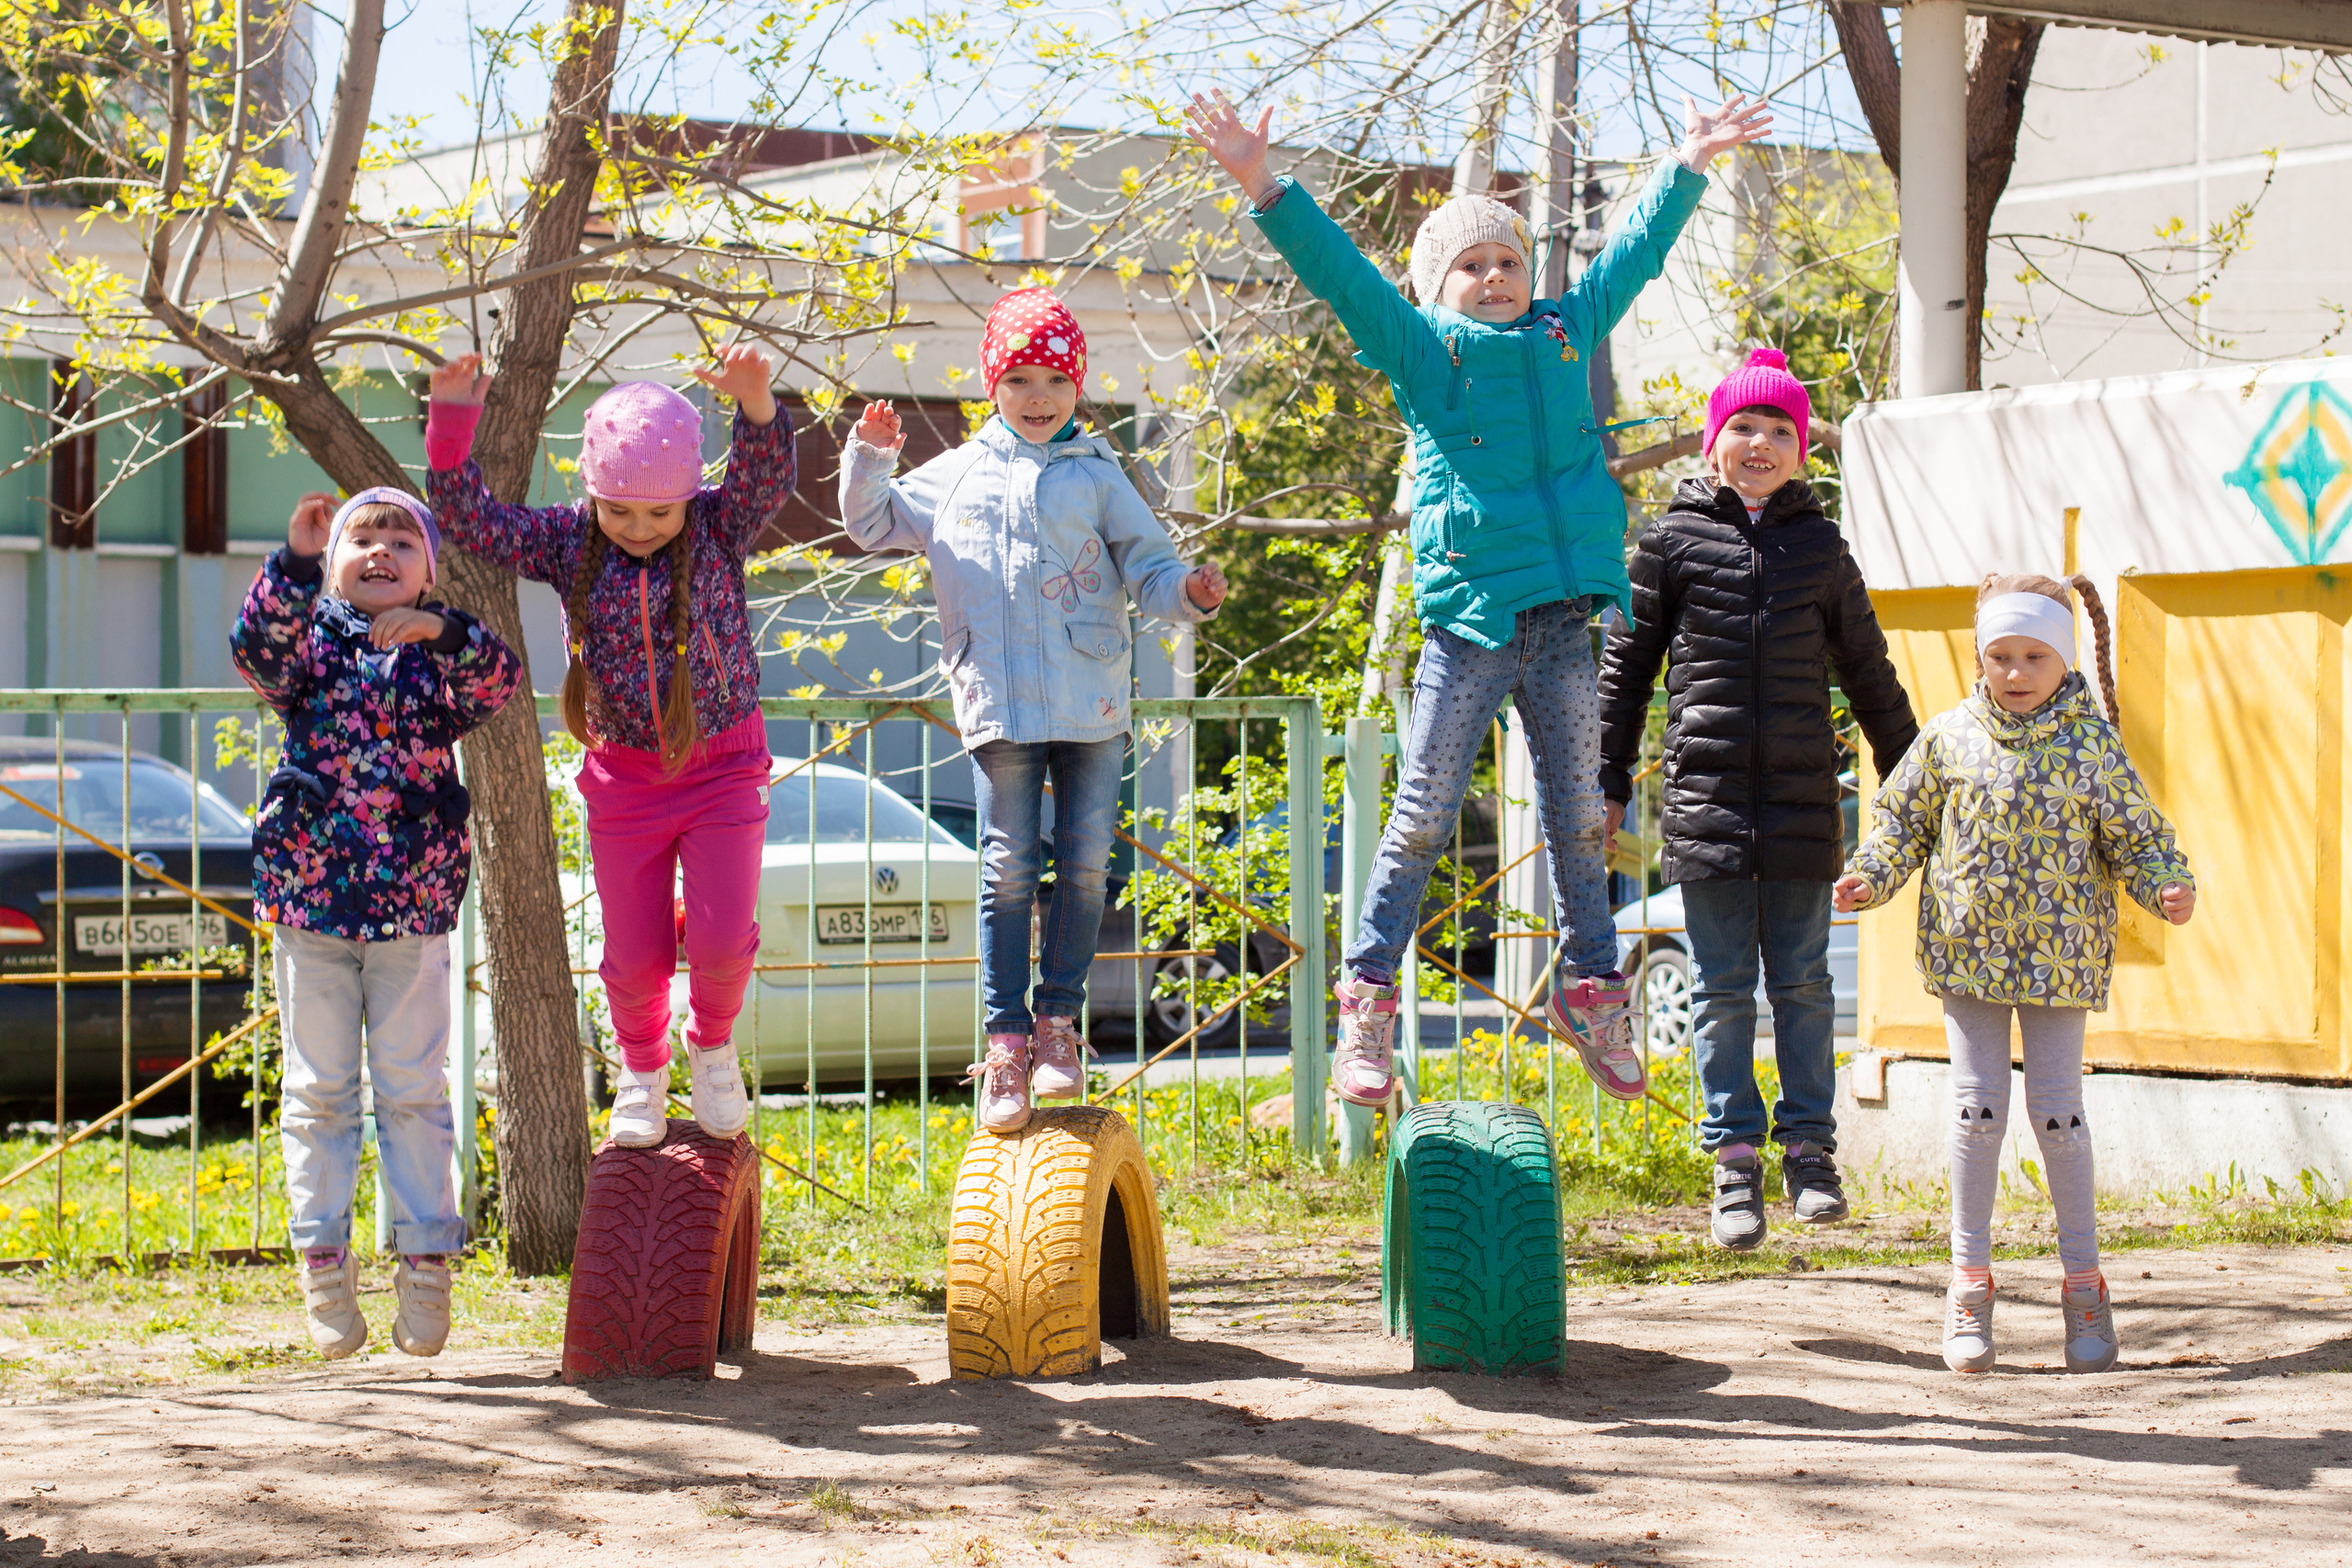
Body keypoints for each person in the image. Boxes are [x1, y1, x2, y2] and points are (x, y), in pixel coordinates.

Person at [1184, 87, 1771, 1110]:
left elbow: (1631, 253)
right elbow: (1339, 278)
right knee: (1419, 816)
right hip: (1470, 623)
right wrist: (1259, 180)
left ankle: (1591, 989)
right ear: (1435, 287)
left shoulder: (1563, 334)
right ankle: (1368, 1000)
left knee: (1582, 817)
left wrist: (1687, 163)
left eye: (1505, 260)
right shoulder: (1425, 354)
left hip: (1564, 622)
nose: (1494, 277)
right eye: (1470, 264)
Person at [839, 289, 1227, 1133]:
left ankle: (1058, 1025)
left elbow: (1149, 566)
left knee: (1086, 863)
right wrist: (869, 455)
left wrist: (1189, 594)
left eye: (1055, 377)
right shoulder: (956, 475)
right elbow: (870, 523)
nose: (1038, 395)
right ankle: (1005, 1042)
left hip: (1091, 699)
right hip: (999, 701)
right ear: (992, 385)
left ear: (1078, 385)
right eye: (1019, 378)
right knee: (1007, 867)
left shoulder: (1098, 473)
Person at [424, 345, 797, 1148]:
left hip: (725, 766)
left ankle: (712, 1044)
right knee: (632, 961)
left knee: (725, 937)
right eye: (619, 511)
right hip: (624, 778)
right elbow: (475, 524)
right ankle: (643, 1065)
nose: (637, 530)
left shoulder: (717, 525)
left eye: (658, 514)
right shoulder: (566, 543)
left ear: (688, 498)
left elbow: (766, 478)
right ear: (592, 494)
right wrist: (451, 430)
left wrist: (756, 402)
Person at [1597, 348, 1919, 1250]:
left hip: (1801, 804)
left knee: (1806, 983)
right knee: (1720, 987)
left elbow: (1866, 669)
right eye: (1742, 425)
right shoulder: (1667, 543)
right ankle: (1733, 1159)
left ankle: (1809, 1149)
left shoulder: (1820, 547)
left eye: (1780, 429)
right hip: (1704, 804)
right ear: (1712, 442)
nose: (1760, 443)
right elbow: (1625, 672)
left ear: (1802, 451)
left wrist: (1914, 774)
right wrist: (1607, 780)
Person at [1837, 574, 2196, 1374]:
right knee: (1976, 1114)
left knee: (2059, 1117)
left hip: (2061, 956)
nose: (2016, 671)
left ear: (2063, 660)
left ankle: (2084, 1286)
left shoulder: (2092, 747)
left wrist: (2165, 882)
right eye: (2000, 655)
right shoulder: (1948, 737)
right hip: (1968, 953)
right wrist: (1871, 875)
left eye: (2035, 655)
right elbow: (1900, 822)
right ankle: (1969, 1284)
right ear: (1981, 656)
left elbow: (2136, 835)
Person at [232, 486, 523, 1359]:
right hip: (312, 904)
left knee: (414, 1090)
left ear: (428, 572)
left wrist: (446, 632)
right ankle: (323, 1260)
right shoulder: (308, 647)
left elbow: (501, 681)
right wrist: (292, 562)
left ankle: (426, 1259)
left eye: (402, 539)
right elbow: (255, 652)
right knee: (319, 1090)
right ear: (334, 565)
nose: (380, 550)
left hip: (412, 906)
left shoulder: (439, 658)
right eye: (362, 538)